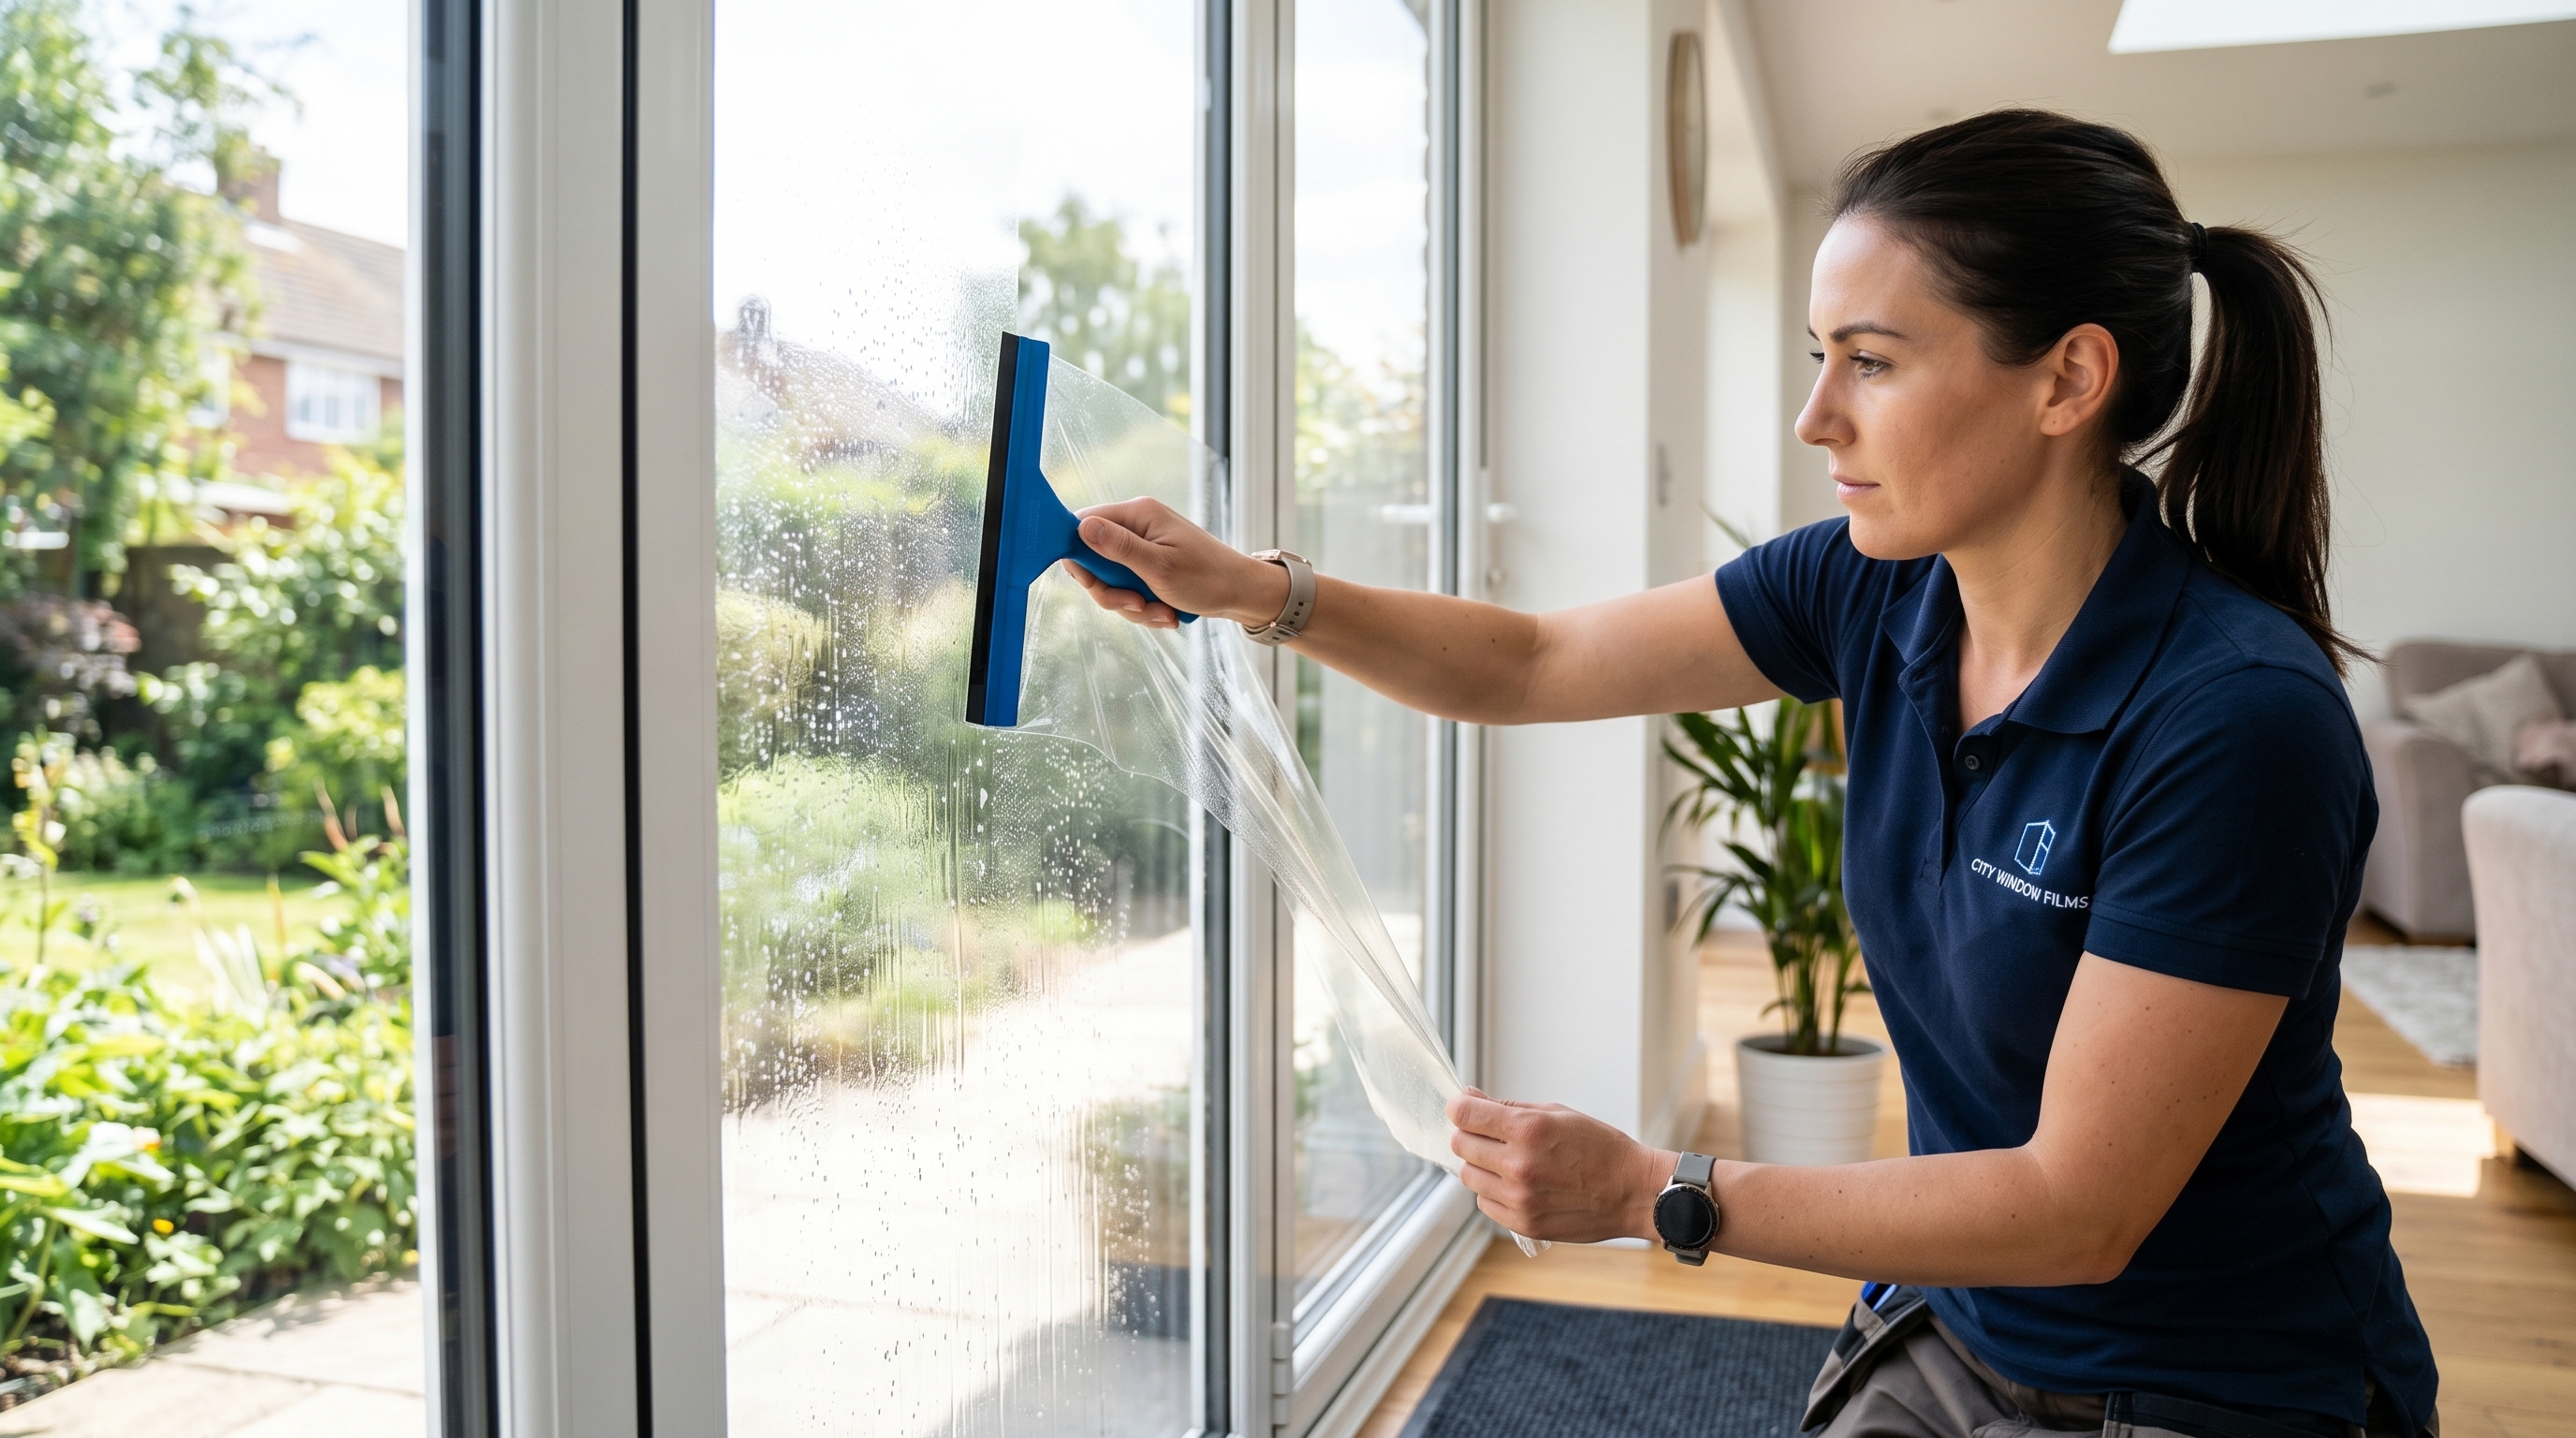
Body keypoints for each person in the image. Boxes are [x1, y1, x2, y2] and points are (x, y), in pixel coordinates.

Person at [1060, 110, 2435, 1438]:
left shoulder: (2236, 723)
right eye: (1820, 356)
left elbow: (2079, 1208)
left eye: (1871, 362)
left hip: (2211, 1379)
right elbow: (1532, 664)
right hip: (1960, 1319)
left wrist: (1657, 1191)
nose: (1815, 417)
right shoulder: (1874, 590)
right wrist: (1254, 590)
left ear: (2068, 380)